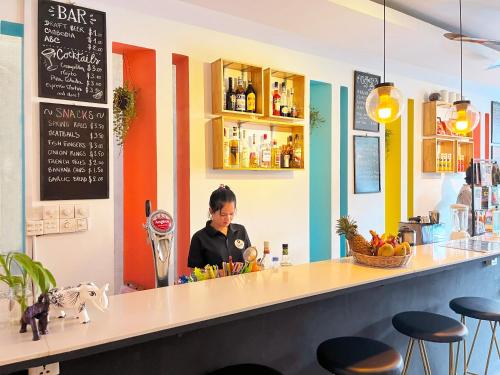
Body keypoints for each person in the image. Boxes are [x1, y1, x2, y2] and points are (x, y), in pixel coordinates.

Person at [188, 185, 251, 268]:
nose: (228, 218)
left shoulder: (240, 230)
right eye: (223, 214)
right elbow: (194, 271)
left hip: (241, 281)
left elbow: (250, 259)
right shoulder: (199, 238)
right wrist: (217, 273)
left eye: (231, 214)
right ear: (211, 211)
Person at [456, 165, 473, 235]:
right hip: (467, 230)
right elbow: (466, 213)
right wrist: (479, 216)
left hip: (469, 228)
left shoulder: (470, 190)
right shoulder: (466, 191)